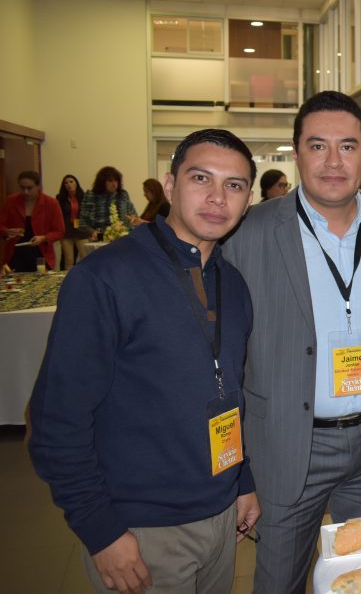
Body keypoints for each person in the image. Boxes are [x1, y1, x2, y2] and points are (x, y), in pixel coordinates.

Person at [28, 129, 260, 594]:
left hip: (221, 515)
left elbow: (226, 391)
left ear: (247, 200)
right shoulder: (106, 277)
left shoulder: (232, 283)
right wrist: (100, 530)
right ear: (169, 185)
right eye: (201, 178)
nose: (217, 197)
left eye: (233, 185)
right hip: (141, 530)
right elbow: (56, 419)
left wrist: (242, 479)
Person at [223, 90, 361, 594]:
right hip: (291, 440)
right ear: (296, 153)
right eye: (317, 146)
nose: (333, 161)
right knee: (280, 579)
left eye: (347, 147)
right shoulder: (248, 232)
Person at [1, 170, 65, 272]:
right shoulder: (11, 201)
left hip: (40, 254)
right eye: (22, 188)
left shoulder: (51, 203)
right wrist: (6, 231)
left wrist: (44, 238)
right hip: (15, 254)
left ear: (39, 186)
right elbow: (1, 225)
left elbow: (60, 231)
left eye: (29, 188)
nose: (25, 192)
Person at [81, 166, 138, 239]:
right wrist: (93, 232)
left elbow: (134, 217)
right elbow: (82, 223)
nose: (114, 184)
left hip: (122, 239)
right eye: (110, 181)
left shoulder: (123, 195)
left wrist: (131, 223)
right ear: (102, 182)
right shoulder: (91, 196)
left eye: (116, 181)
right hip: (99, 239)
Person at [55, 174, 90, 269]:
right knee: (69, 259)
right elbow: (58, 215)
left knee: (85, 257)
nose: (69, 184)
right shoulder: (60, 198)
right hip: (67, 231)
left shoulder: (84, 196)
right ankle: (68, 276)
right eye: (66, 183)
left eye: (71, 182)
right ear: (64, 186)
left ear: (76, 183)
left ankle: (85, 276)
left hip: (81, 230)